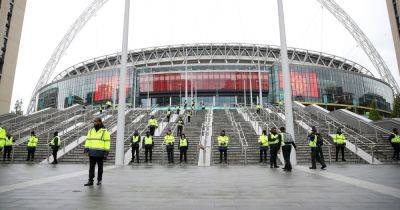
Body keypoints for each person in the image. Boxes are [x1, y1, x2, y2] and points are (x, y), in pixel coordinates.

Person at [83, 117, 111, 186]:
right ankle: (90, 181)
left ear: (100, 122)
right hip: (92, 152)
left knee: (100, 168)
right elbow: (88, 140)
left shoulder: (105, 131)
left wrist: (106, 153)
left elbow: (107, 142)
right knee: (91, 167)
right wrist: (86, 150)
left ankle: (99, 180)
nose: (94, 123)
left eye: (96, 121)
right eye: (94, 122)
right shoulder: (91, 130)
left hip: (100, 153)